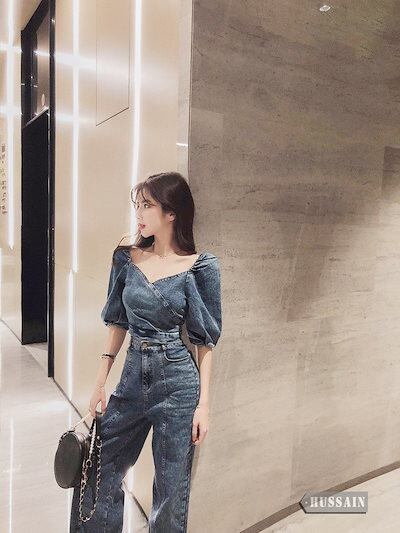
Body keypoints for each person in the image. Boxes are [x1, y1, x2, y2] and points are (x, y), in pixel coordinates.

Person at [69, 171, 222, 532]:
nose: (138, 213)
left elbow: (204, 341)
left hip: (178, 385)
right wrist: (100, 382)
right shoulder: (127, 257)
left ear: (172, 213)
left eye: (147, 205)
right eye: (136, 205)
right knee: (99, 467)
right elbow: (117, 322)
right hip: (132, 379)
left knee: (171, 491)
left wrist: (204, 405)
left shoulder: (199, 267)